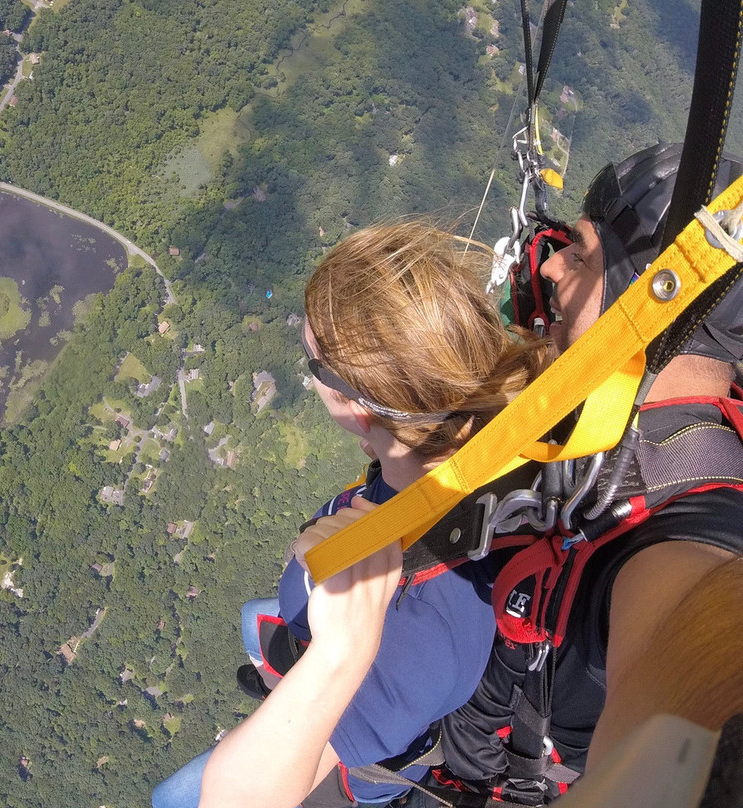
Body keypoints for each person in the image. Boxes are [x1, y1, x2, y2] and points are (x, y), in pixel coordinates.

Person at [301, 143, 743, 806]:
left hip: (452, 764)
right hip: (458, 728)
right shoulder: (616, 413)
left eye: (584, 255)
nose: (556, 264)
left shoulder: (678, 551)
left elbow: (703, 651)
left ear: (655, 301)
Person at [151, 220, 552, 808]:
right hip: (330, 637)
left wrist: (334, 662)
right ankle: (281, 674)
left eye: (315, 368)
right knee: (249, 620)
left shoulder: (424, 632)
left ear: (359, 409)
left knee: (172, 800)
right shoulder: (465, 458)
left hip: (351, 762)